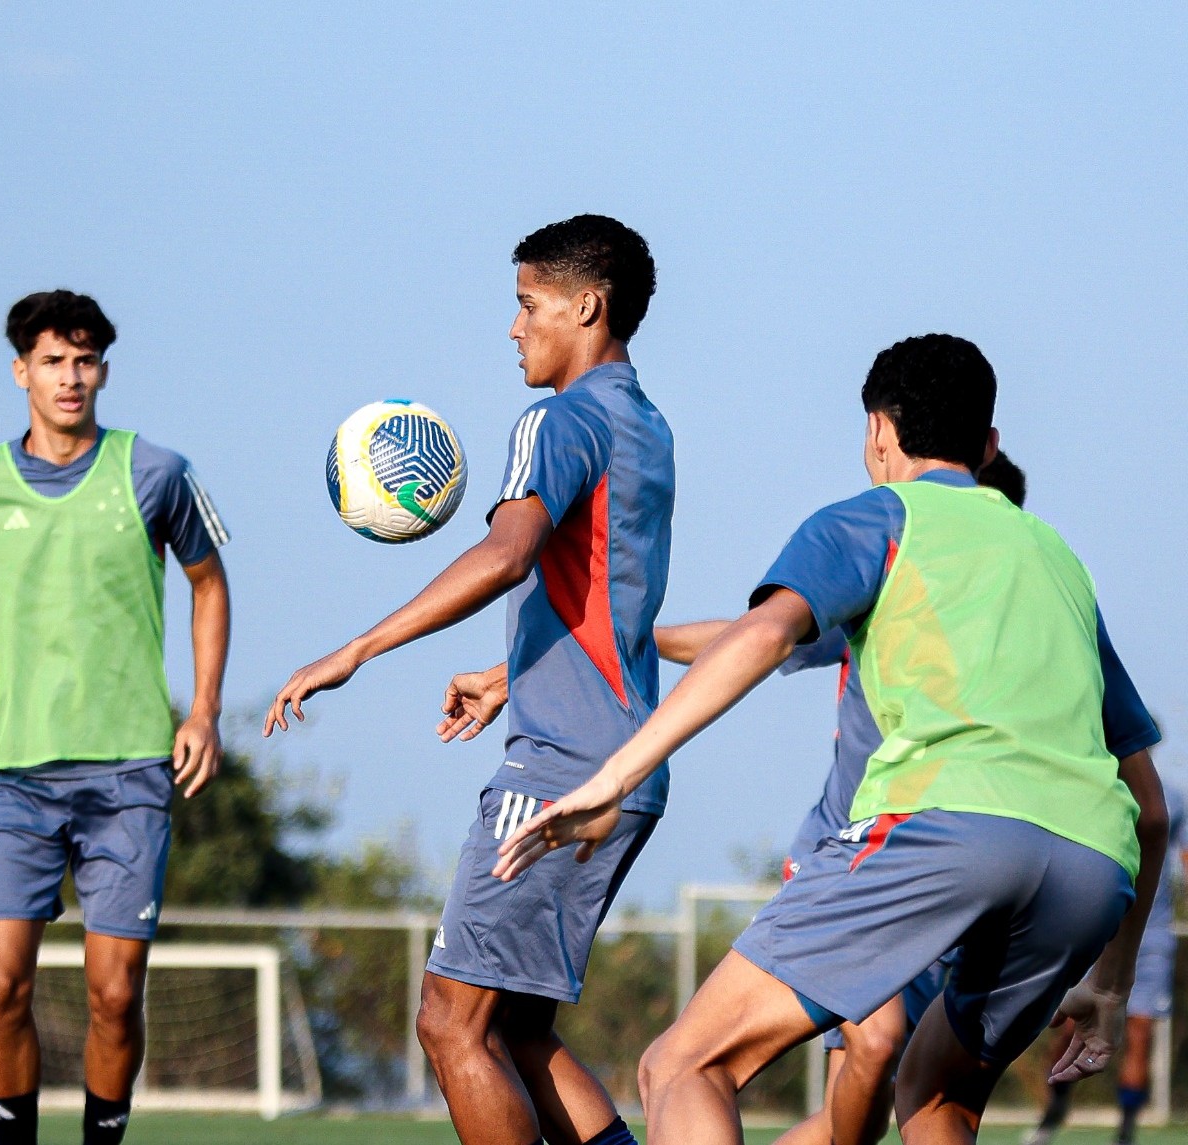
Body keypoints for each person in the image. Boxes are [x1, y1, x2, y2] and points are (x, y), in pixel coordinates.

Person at [495, 333, 1169, 1144]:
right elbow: (1150, 808)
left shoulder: (874, 518)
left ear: (878, 431)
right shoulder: (1059, 560)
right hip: (1092, 867)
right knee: (936, 1092)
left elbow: (762, 633)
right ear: (988, 446)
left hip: (946, 827)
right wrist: (1112, 983)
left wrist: (613, 775)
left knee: (683, 1065)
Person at [265, 215, 672, 1145]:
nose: (514, 327)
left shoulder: (559, 419)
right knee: (517, 1030)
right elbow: (614, 591)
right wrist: (510, 674)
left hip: (561, 769)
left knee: (451, 1023)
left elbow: (506, 553)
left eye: (528, 304)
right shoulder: (646, 424)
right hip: (625, 759)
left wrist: (356, 649)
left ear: (586, 306)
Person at [656, 452, 1160, 1145]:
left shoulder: (999, 600)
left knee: (897, 1094)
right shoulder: (913, 587)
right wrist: (644, 641)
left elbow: (1149, 804)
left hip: (958, 862)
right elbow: (760, 633)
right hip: (878, 853)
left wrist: (619, 770)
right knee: (880, 1048)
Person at [0, 290, 231, 1145]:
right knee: (0, 986)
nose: (70, 377)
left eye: (85, 360)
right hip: (13, 777)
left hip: (129, 774)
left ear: (104, 371)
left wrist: (203, 710)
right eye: (53, 360)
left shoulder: (156, 473)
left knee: (114, 993)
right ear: (20, 370)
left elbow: (209, 584)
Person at [1025, 781, 1186, 1145]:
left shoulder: (1172, 800)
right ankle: (1054, 1111)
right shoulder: (1092, 787)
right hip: (1096, 928)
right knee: (1070, 1026)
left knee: (1140, 1032)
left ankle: (1125, 1133)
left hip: (1152, 938)